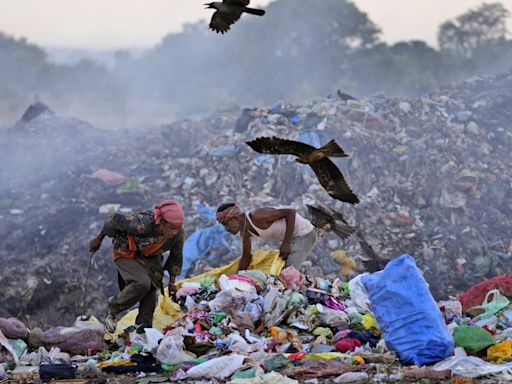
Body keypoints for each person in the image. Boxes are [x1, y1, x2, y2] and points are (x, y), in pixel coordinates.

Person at [89, 199, 185, 332]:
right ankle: (114, 307)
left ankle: (142, 331)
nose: (174, 232)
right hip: (126, 251)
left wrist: (172, 283)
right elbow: (114, 219)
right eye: (171, 228)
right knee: (142, 283)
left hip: (151, 257)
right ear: (161, 222)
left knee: (152, 290)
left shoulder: (178, 234)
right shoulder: (142, 224)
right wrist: (98, 239)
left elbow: (176, 256)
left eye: (177, 228)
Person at [216, 203, 317, 271]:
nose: (226, 229)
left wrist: (286, 243)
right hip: (293, 238)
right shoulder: (245, 232)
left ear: (235, 218)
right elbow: (246, 256)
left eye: (226, 224)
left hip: (304, 234)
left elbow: (290, 212)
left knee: (289, 274)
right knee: (280, 272)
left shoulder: (256, 216)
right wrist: (237, 278)